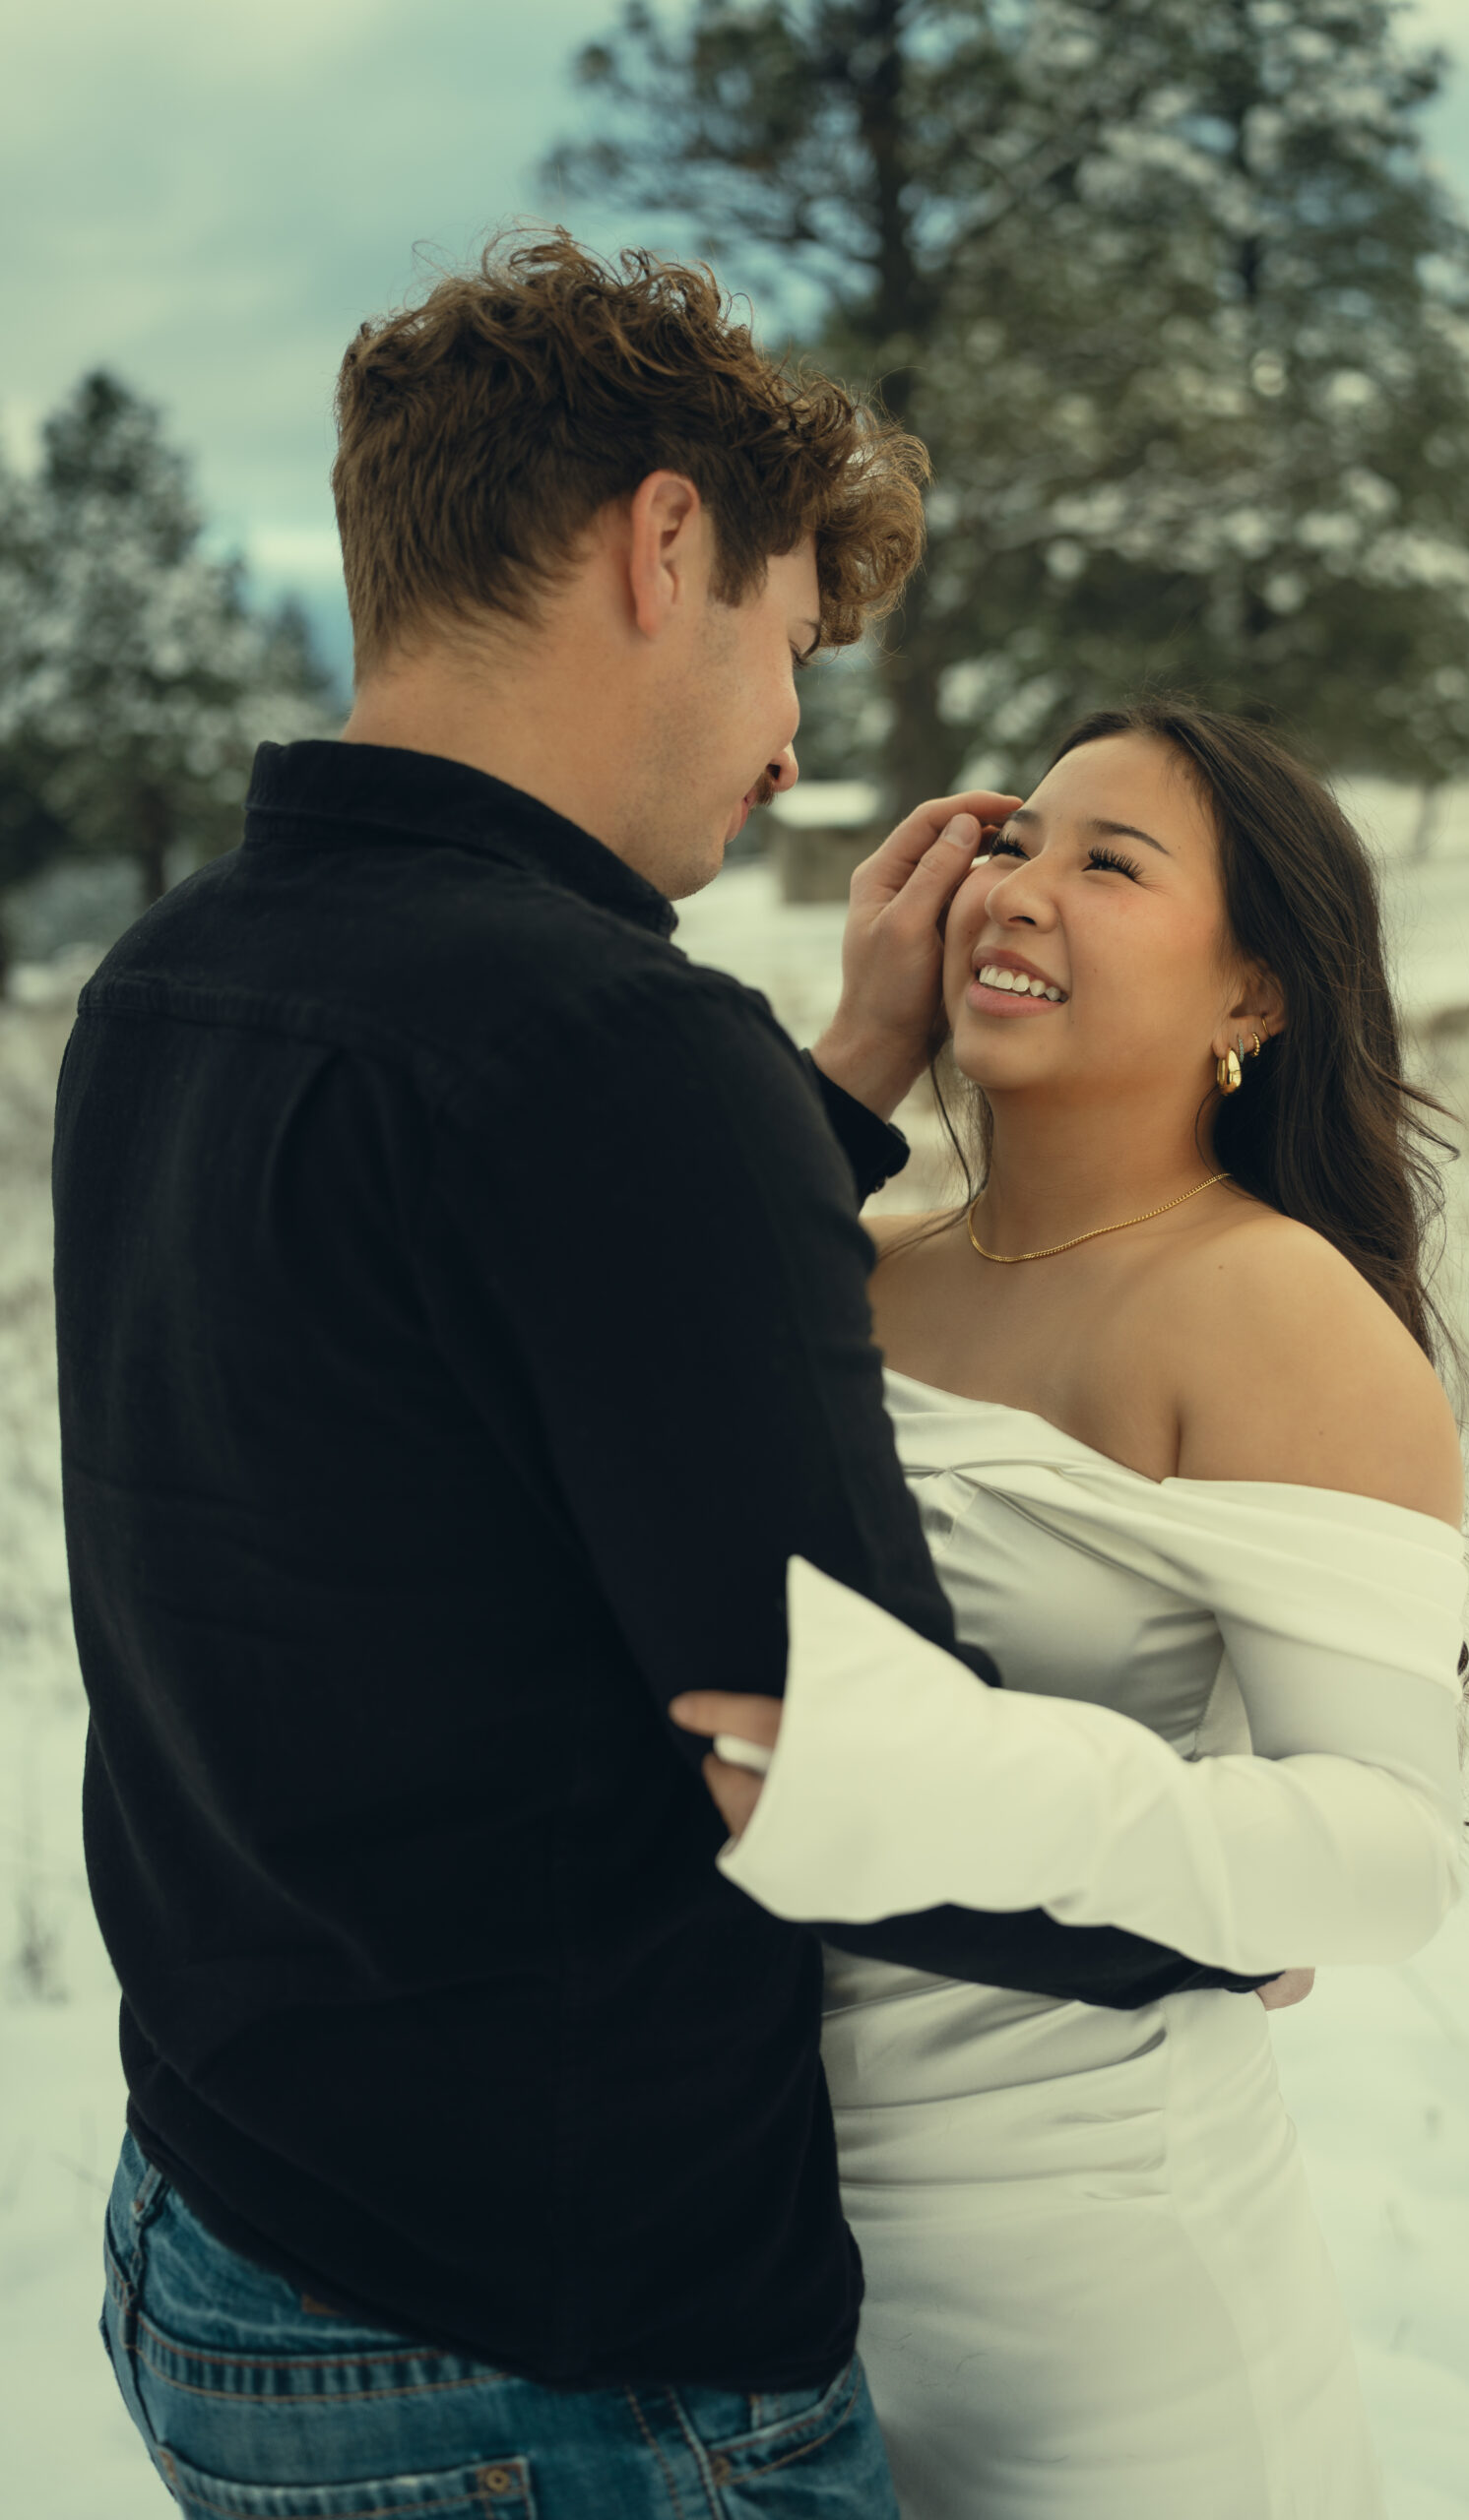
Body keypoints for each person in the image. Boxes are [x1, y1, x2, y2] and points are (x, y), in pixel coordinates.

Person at [54, 237, 1282, 2520]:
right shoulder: (610, 1054)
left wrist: (826, 1082)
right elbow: (837, 1764)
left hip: (221, 2235)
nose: (793, 737)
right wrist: (1227, 1893)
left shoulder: (172, 983)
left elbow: (457, 1384)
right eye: (791, 645)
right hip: (546, 2364)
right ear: (661, 543)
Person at [673, 701, 1469, 2518]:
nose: (1019, 891)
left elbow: (1386, 1855)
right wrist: (861, 1045)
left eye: (1108, 863)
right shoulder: (852, 1269)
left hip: (1101, 2283)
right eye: (1008, 844)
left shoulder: (1269, 1309)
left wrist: (940, 1776)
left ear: (1252, 998)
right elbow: (604, 1371)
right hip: (772, 2254)